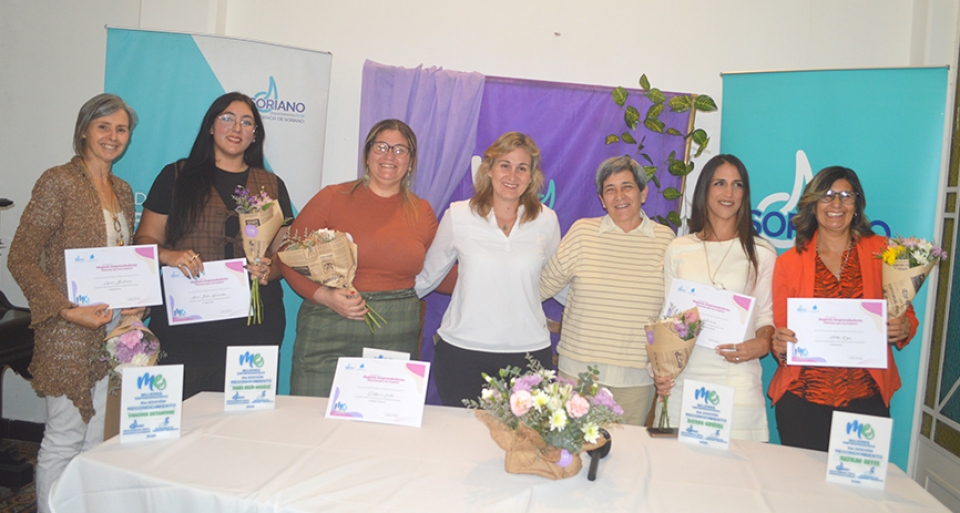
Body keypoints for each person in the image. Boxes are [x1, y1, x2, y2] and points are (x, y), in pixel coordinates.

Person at [8, 93, 143, 513]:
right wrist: (65, 309)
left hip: (113, 332)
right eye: (104, 127)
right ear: (84, 130)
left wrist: (134, 303)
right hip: (66, 331)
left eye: (121, 129)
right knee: (64, 437)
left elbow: (122, 259)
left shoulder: (122, 190)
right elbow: (21, 257)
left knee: (98, 438)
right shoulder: (58, 181)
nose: (112, 136)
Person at [135, 92, 293, 400]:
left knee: (247, 416)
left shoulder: (272, 185)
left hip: (255, 324)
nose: (236, 128)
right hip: (187, 324)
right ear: (210, 126)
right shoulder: (176, 176)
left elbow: (284, 252)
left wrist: (270, 269)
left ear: (255, 134)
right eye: (227, 118)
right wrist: (168, 255)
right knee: (182, 412)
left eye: (246, 122)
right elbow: (144, 240)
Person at [281, 119, 437, 397]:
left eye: (400, 150)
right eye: (381, 147)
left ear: (411, 162)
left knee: (381, 421)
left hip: (395, 334)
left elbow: (441, 271)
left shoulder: (422, 212)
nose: (390, 156)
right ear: (367, 155)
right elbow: (288, 258)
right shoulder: (332, 197)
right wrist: (325, 296)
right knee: (310, 417)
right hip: (328, 328)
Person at [769, 166, 917, 451]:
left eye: (846, 195)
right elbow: (782, 332)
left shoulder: (883, 251)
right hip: (803, 401)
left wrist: (905, 327)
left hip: (865, 400)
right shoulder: (788, 262)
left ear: (857, 204)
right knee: (802, 481)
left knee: (859, 481)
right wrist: (780, 344)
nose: (836, 203)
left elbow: (906, 314)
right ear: (813, 205)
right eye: (827, 195)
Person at [417, 132, 561, 407]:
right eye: (505, 165)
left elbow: (558, 281)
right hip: (462, 352)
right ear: (489, 169)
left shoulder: (547, 220)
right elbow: (427, 277)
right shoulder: (459, 215)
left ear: (532, 176)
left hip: (528, 353)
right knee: (463, 434)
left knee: (526, 435)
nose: (512, 175)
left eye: (522, 168)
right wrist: (380, 299)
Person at [540, 155, 675, 425]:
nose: (619, 196)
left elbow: (672, 313)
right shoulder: (582, 233)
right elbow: (540, 287)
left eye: (627, 187)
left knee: (627, 450)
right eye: (610, 190)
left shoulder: (666, 240)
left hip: (636, 380)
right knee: (570, 448)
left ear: (643, 193)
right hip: (578, 374)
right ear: (602, 200)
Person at [653, 154, 776, 441]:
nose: (729, 193)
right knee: (676, 467)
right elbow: (668, 318)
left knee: (739, 467)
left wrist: (762, 343)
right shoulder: (678, 249)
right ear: (705, 190)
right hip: (682, 379)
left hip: (737, 377)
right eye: (720, 183)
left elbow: (766, 317)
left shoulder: (762, 252)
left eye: (737, 185)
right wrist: (659, 370)